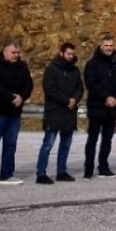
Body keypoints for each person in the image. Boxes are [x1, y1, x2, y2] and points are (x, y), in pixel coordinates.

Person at [0, 39, 33, 186]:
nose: (16, 55)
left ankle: (7, 175)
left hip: (14, 113)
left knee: (11, 145)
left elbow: (29, 84)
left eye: (17, 52)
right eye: (13, 52)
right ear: (4, 52)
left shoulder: (22, 66)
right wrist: (11, 97)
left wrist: (22, 96)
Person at [37, 42, 83, 184]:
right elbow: (50, 90)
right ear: (61, 53)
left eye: (72, 54)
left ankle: (61, 171)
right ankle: (41, 173)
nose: (71, 56)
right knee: (48, 144)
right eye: (68, 53)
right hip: (55, 112)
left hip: (69, 113)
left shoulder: (75, 70)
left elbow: (80, 88)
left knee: (66, 144)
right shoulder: (51, 69)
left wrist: (75, 99)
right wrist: (66, 100)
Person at [83, 36, 116, 179]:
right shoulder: (92, 64)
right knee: (92, 139)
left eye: (111, 45)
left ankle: (103, 167)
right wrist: (106, 97)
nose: (109, 48)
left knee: (107, 139)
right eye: (106, 45)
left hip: (112, 108)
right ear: (101, 47)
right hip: (96, 107)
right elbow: (91, 83)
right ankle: (88, 169)